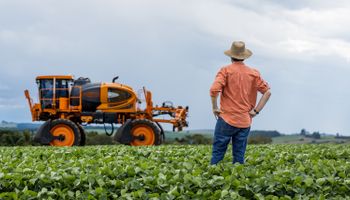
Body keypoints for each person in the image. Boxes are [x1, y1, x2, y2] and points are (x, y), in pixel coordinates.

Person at [209, 41, 271, 164]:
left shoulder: (225, 71)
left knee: (218, 153)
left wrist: (215, 107)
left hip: (226, 119)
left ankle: (212, 179)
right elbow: (267, 92)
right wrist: (256, 111)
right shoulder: (253, 73)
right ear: (244, 56)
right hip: (245, 121)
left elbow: (214, 90)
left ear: (231, 56)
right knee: (239, 156)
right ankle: (238, 179)